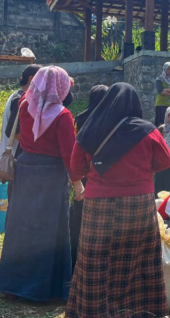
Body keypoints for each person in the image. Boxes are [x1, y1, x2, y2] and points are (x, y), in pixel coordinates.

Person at [65, 82, 170, 318]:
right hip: (138, 201)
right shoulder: (147, 130)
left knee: (98, 261)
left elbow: (76, 168)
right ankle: (154, 313)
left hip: (99, 202)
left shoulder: (91, 129)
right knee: (141, 257)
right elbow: (166, 161)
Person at [0, 66, 84, 302]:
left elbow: (18, 136)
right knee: (49, 231)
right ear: (61, 87)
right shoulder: (62, 115)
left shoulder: (26, 105)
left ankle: (14, 285)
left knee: (21, 227)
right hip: (51, 174)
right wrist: (78, 184)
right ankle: (45, 289)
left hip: (26, 169)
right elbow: (69, 154)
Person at [69, 84, 109, 268]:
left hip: (83, 171)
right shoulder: (109, 119)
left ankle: (76, 257)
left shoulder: (81, 117)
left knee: (80, 215)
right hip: (102, 173)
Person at [0, 65, 41, 162]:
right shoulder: (20, 98)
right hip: (15, 157)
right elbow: (11, 131)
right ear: (31, 79)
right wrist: (33, 146)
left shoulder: (16, 95)